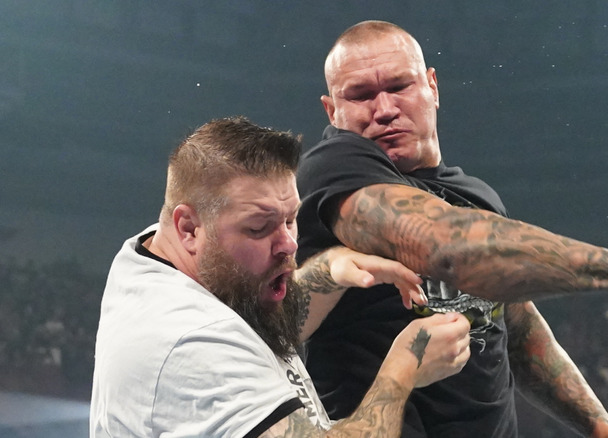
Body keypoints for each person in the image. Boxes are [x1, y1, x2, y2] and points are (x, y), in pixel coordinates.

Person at [295, 20, 608, 437]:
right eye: (361, 95)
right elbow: (444, 245)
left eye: (400, 86)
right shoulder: (333, 168)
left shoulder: (475, 196)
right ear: (333, 111)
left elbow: (515, 326)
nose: (384, 109)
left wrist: (601, 427)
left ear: (432, 87)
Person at [89, 116, 472, 437]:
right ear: (189, 228)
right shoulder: (190, 343)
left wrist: (328, 270)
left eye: (291, 220)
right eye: (260, 227)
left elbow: (256, 312)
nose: (289, 244)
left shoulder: (158, 254)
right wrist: (404, 367)